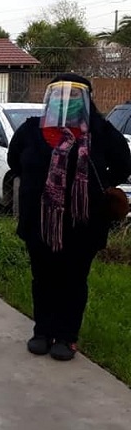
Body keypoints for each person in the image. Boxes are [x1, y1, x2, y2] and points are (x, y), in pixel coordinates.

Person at [7, 73, 131, 361]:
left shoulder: (100, 131)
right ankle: (42, 332)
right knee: (43, 277)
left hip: (83, 223)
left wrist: (93, 189)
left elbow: (124, 165)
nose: (66, 100)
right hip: (40, 221)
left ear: (86, 100)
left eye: (74, 95)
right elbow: (14, 162)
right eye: (59, 94)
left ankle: (66, 336)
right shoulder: (31, 129)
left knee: (73, 279)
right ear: (49, 98)